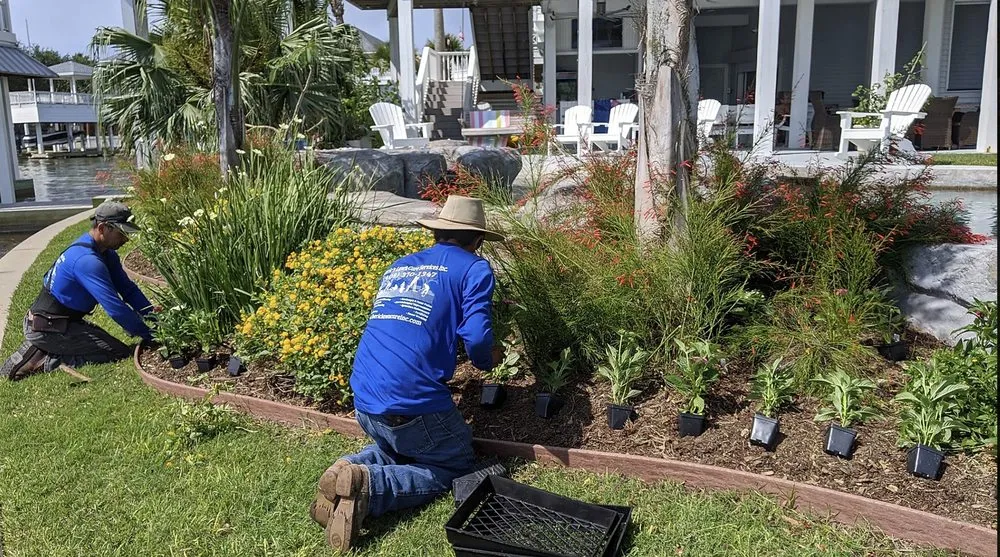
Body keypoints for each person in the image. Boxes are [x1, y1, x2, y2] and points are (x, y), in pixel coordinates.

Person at [309, 196, 505, 551]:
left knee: (400, 448)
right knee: (455, 464)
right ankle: (371, 488)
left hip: (365, 399)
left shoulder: (399, 266)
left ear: (436, 233)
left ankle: (347, 468)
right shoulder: (475, 268)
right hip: (411, 403)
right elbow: (477, 338)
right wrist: (489, 359)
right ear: (477, 240)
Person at [1, 202, 154, 380]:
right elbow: (115, 308)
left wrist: (157, 319)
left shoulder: (105, 253)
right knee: (116, 352)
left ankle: (48, 347)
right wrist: (149, 335)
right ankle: (43, 358)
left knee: (111, 346)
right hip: (46, 327)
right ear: (103, 228)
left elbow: (128, 290)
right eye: (121, 233)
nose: (126, 239)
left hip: (61, 321)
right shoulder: (87, 261)